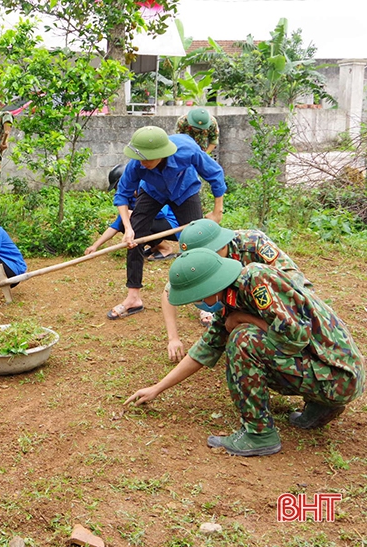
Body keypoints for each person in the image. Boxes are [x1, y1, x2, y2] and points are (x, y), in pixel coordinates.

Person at [126, 248, 364, 457]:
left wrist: (242, 319)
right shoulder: (230, 297)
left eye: (196, 297)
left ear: (209, 285)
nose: (195, 303)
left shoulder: (257, 282)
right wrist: (157, 388)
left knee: (243, 340)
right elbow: (204, 350)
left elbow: (296, 337)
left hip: (339, 376)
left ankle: (259, 435)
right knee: (241, 334)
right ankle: (321, 405)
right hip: (330, 372)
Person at [107, 126, 226, 320]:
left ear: (161, 154)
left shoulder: (187, 150)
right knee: (135, 238)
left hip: (185, 191)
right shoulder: (137, 164)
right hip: (153, 192)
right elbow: (122, 195)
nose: (143, 163)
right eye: (140, 158)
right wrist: (128, 229)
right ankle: (133, 298)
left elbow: (214, 174)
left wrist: (217, 210)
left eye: (148, 159)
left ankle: (207, 300)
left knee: (198, 242)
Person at [162, 219, 313, 361]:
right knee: (229, 323)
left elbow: (291, 276)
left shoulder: (253, 242)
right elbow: (170, 290)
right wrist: (173, 338)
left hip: (275, 300)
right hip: (240, 300)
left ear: (221, 246)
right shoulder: (196, 261)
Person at [85, 164, 180, 260]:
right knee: (125, 223)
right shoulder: (129, 199)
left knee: (135, 219)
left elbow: (161, 214)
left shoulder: (148, 189)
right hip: (157, 225)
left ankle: (165, 249)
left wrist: (133, 214)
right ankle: (156, 247)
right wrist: (95, 245)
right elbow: (116, 226)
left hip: (174, 226)